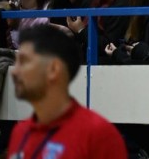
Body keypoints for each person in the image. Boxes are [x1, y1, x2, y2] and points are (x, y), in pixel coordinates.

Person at [8, 25, 127, 158]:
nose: (14, 71)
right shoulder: (19, 132)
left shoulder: (99, 135)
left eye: (24, 62)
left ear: (53, 69)